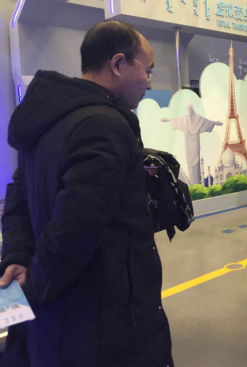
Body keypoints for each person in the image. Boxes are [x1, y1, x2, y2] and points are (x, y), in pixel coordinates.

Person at [0, 20, 173, 366]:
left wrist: (17, 257)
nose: (149, 83)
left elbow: (17, 197)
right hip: (103, 323)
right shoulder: (104, 126)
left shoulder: (48, 117)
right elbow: (74, 231)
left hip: (55, 324)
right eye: (148, 70)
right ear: (118, 63)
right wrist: (33, 289)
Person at [161, 102, 223, 185]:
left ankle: (197, 183)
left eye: (189, 109)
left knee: (196, 161)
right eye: (187, 109)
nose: (188, 110)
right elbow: (177, 120)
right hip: (188, 144)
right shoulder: (185, 119)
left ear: (192, 109)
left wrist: (215, 122)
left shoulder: (198, 118)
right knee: (190, 164)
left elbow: (205, 122)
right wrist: (168, 120)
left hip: (195, 144)